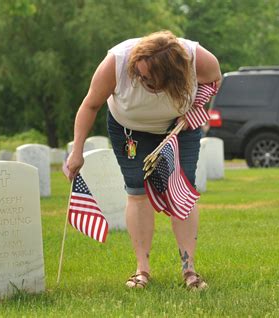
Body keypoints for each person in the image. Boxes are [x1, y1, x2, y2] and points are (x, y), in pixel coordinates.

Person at [65, 30, 221, 290]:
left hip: (178, 127)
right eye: (138, 72)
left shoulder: (198, 58)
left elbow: (214, 80)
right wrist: (77, 151)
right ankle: (142, 270)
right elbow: (90, 105)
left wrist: (196, 108)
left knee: (182, 189)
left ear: (173, 73)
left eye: (148, 77)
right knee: (137, 190)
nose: (140, 78)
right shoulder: (116, 62)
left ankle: (189, 269)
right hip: (129, 131)